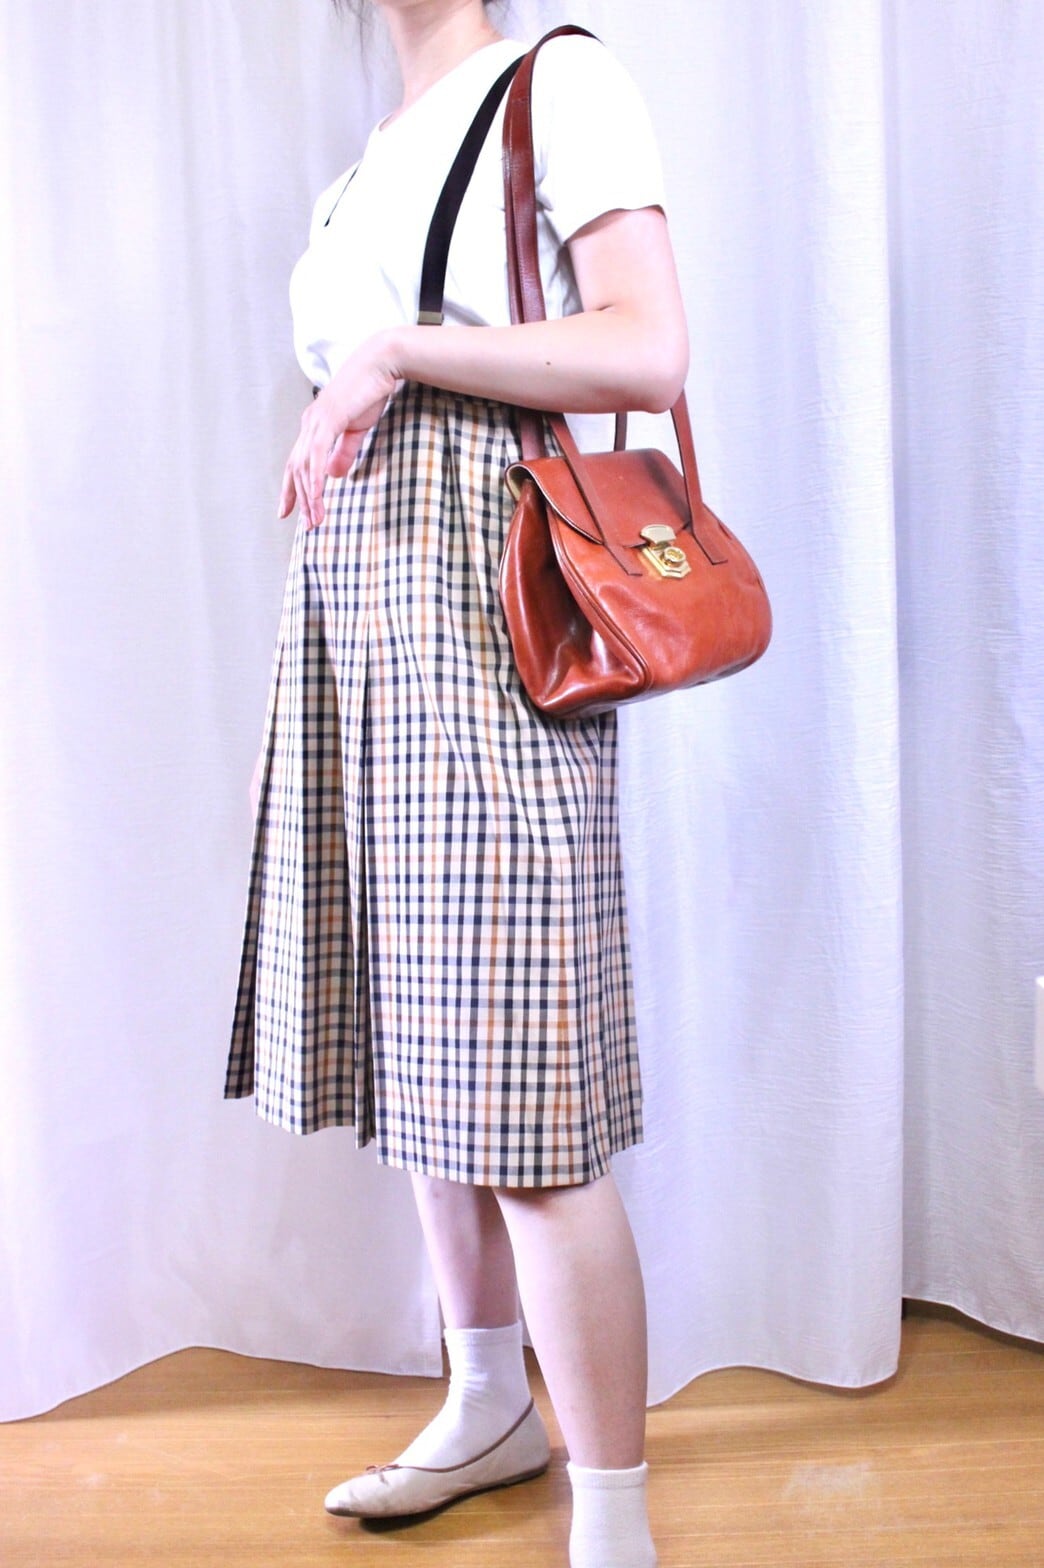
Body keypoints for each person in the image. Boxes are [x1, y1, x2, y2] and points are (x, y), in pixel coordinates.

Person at [225, 3, 689, 1565]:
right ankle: (487, 1401)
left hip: (491, 596)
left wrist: (398, 350)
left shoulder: (558, 80)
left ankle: (613, 1520)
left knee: (526, 1090)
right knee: (422, 1047)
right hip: (357, 600)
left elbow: (648, 346)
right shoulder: (368, 164)